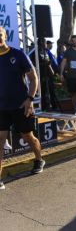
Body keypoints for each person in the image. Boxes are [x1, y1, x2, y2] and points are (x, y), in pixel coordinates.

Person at [0, 26, 45, 189]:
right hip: (2, 107)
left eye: (0, 35)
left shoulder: (17, 54)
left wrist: (30, 99)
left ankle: (39, 159)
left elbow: (33, 78)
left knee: (28, 137)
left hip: (21, 105)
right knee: (0, 140)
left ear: (5, 36)